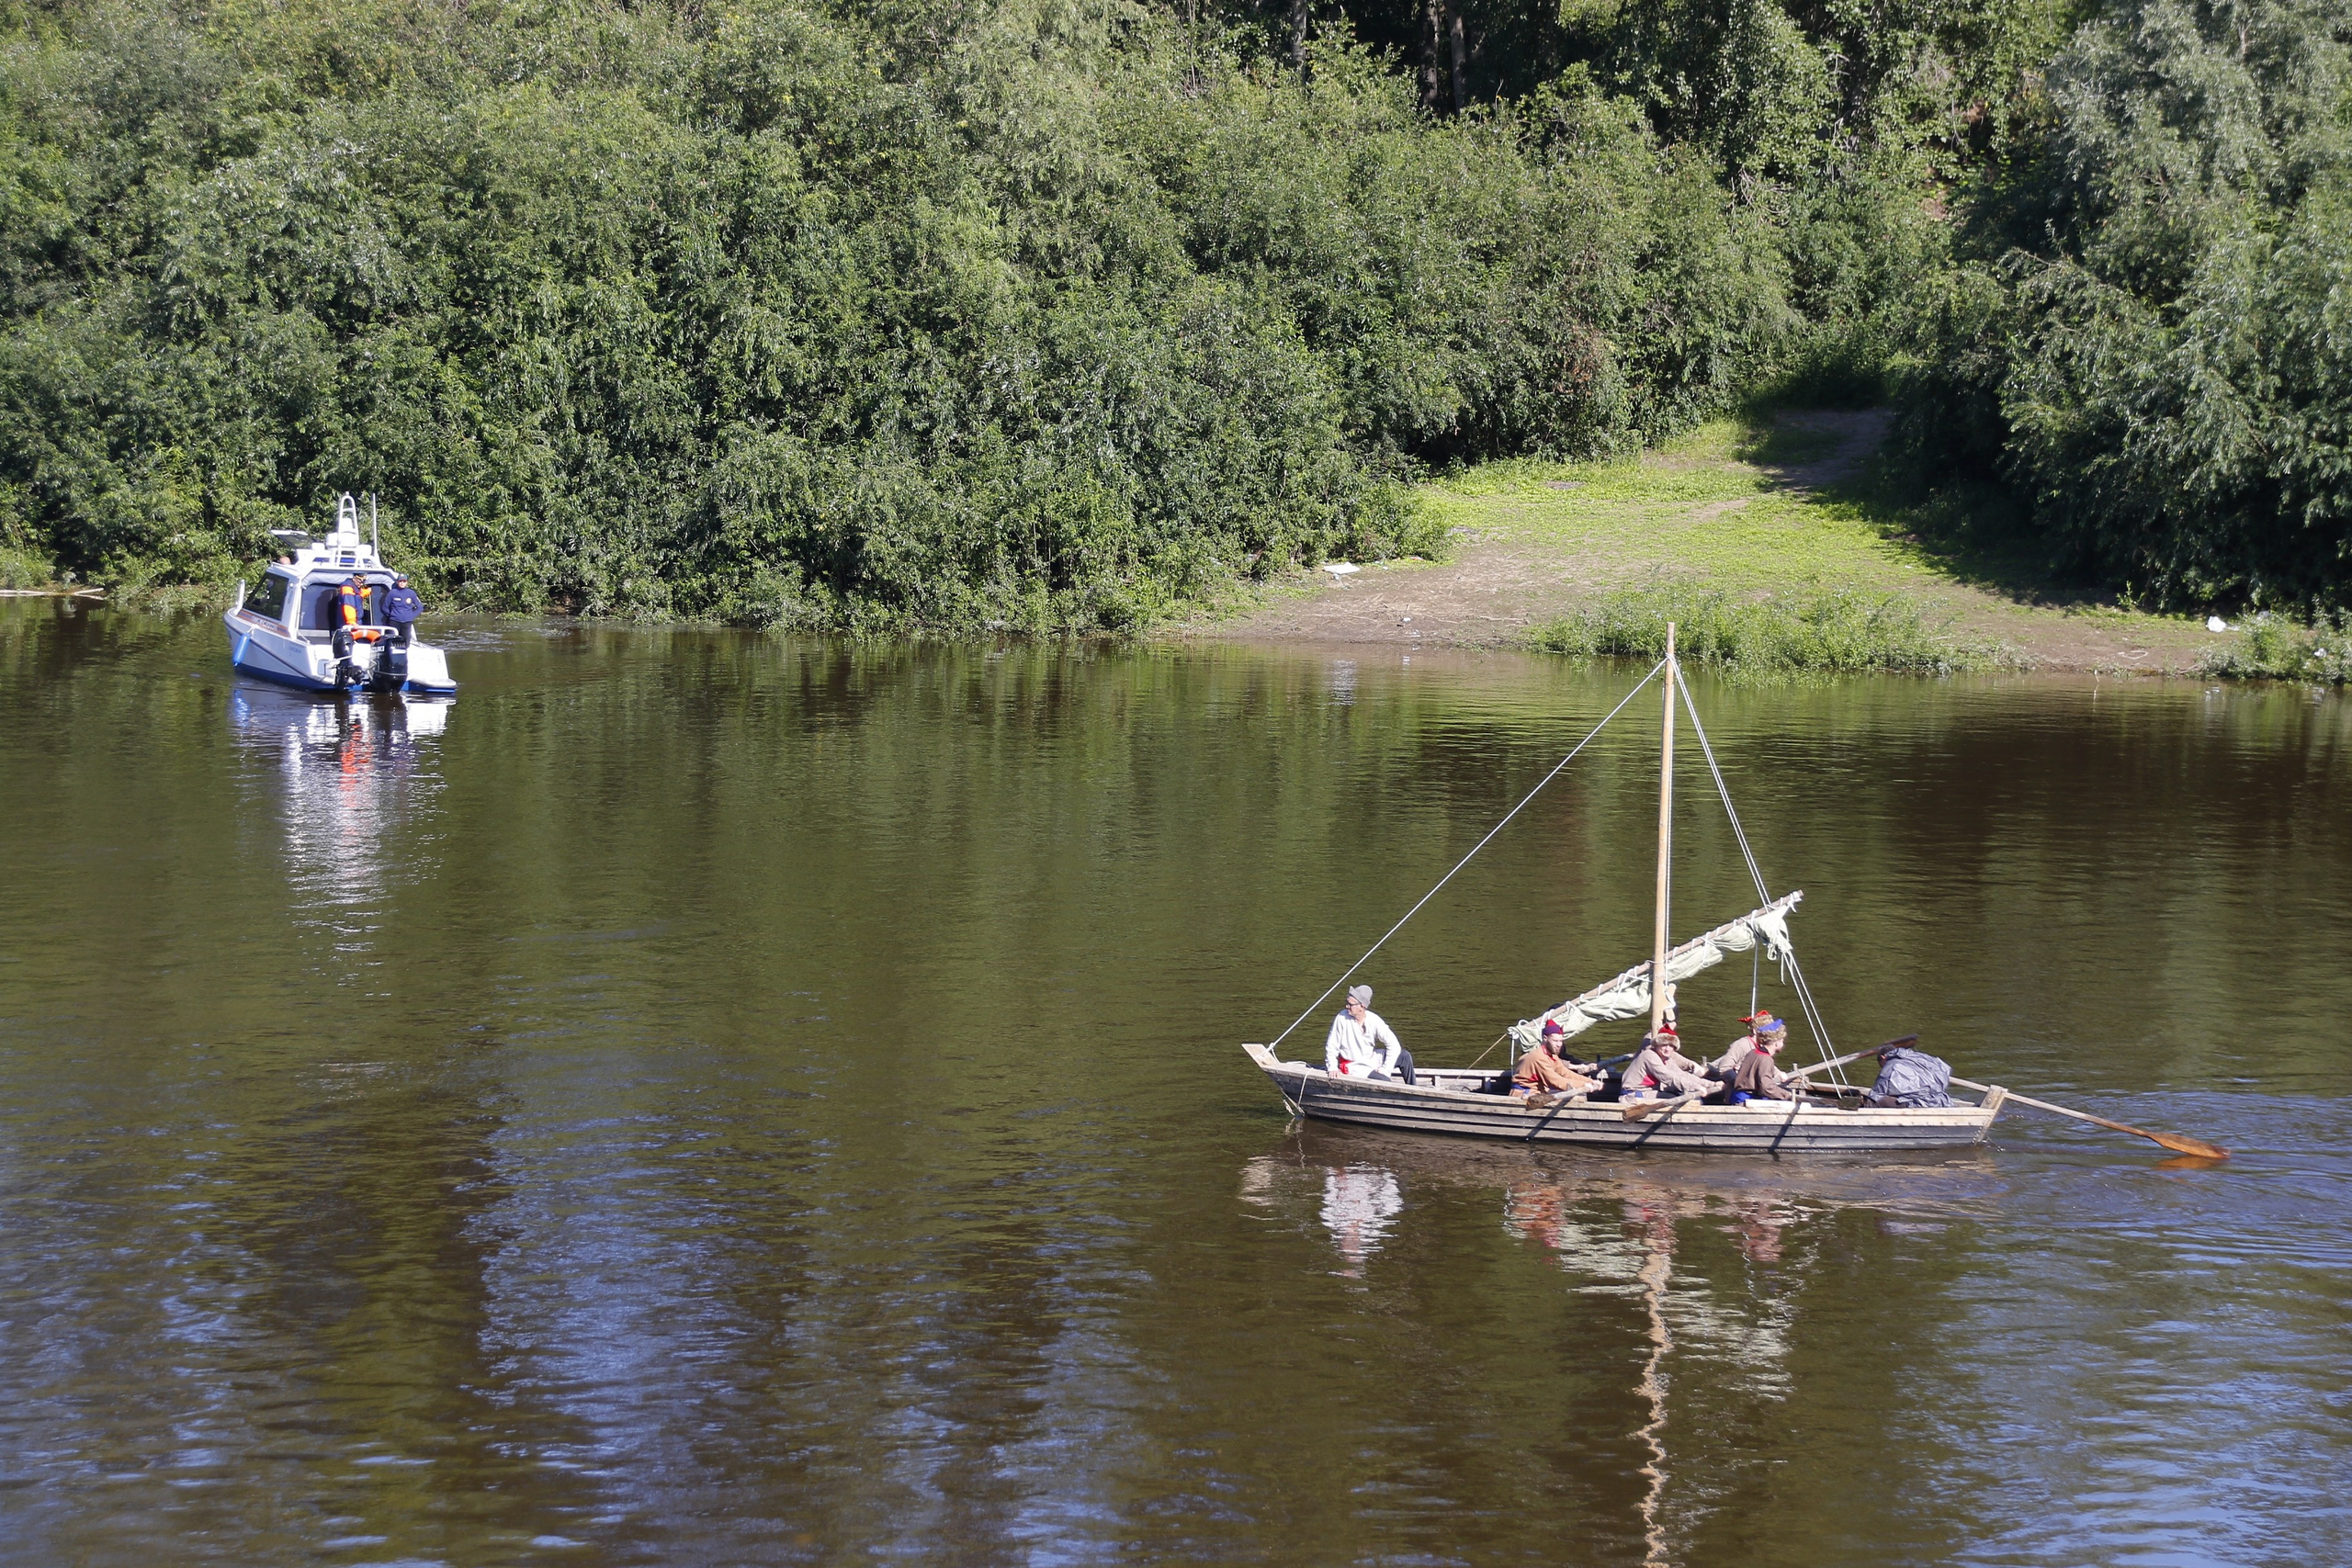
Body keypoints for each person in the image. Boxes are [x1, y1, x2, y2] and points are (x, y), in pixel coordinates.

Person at [1325, 984, 1416, 1085]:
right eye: (1347, 1003)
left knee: (1404, 1056)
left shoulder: (1374, 1020)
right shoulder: (1341, 1017)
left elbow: (1394, 1044)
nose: (1347, 1006)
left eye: (1350, 1004)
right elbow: (1332, 1045)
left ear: (1362, 1006)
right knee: (1384, 1081)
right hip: (1355, 1067)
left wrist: (1386, 1069)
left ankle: (1414, 1089)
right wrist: (1332, 1067)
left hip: (1371, 1059)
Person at [1513, 1019, 1600, 1100]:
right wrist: (1584, 1084)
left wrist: (1591, 1081)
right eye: (1555, 1041)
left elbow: (1565, 1073)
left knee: (1577, 1096)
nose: (1559, 1045)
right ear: (1545, 1038)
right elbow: (1556, 1081)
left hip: (1539, 1090)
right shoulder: (1539, 1057)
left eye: (1560, 1041)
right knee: (1575, 1099)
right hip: (1524, 1094)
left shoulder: (1552, 1055)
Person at [1620, 1026, 1712, 1100]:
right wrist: (1695, 1087)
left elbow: (1683, 1075)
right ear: (1657, 1045)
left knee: (1693, 1098)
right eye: (1664, 1045)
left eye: (1671, 1046)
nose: (1667, 1049)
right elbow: (1668, 1077)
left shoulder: (1667, 1060)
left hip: (1649, 1091)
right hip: (1634, 1095)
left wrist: (1711, 1084)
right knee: (1683, 1099)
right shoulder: (1649, 1056)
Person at [1864, 1041, 1954, 1108]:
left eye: (1882, 1065)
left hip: (1918, 1103)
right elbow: (1945, 1070)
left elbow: (1877, 1094)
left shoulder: (1891, 1065)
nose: (1883, 1067)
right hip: (1941, 1100)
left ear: (1883, 1057)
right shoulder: (1921, 1057)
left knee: (1875, 1102)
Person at [332, 572, 374, 683]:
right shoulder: (348, 588)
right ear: (355, 578)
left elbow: (359, 595)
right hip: (348, 623)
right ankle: (345, 674)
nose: (361, 583)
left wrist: (369, 591)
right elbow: (348, 605)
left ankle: (356, 671)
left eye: (363, 581)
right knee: (346, 651)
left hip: (357, 622)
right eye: (360, 581)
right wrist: (351, 622)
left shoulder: (355, 588)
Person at [1732, 1031, 1797, 1101]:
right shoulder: (1766, 1059)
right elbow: (1767, 1088)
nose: (1783, 1044)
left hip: (1738, 1095)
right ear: (1777, 1043)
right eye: (1782, 1041)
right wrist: (1787, 1095)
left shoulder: (1753, 1052)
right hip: (1747, 1099)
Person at [1711, 1011, 1781, 1077]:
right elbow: (1724, 1067)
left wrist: (1778, 1073)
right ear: (1755, 1031)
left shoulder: (1763, 1046)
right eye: (1766, 1032)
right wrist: (1736, 1082)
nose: (1769, 1035)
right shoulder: (1742, 1044)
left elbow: (1766, 1064)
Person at [383, 572, 425, 646]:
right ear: (397, 582)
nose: (402, 583)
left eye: (404, 581)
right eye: (400, 581)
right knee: (392, 643)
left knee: (406, 643)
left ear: (407, 582)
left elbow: (420, 607)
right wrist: (392, 615)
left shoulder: (411, 593)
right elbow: (384, 607)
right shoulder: (392, 593)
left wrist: (411, 615)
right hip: (394, 622)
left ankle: (405, 651)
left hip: (407, 622)